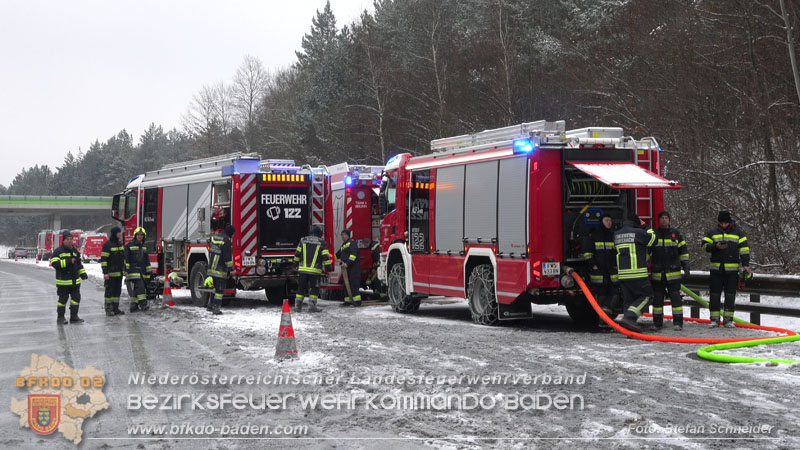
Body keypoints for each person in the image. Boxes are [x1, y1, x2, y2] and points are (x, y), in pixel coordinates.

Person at [702, 210, 751, 328]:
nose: (724, 225)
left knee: (730, 295)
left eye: (726, 223)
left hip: (732, 271)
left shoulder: (738, 232)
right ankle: (714, 319)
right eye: (722, 223)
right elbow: (704, 246)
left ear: (729, 222)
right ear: (718, 222)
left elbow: (744, 249)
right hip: (716, 270)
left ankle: (728, 320)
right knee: (714, 295)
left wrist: (746, 264)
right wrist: (716, 247)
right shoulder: (712, 232)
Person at [614, 213, 656, 333]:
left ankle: (628, 326)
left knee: (629, 300)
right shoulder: (638, 232)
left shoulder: (617, 234)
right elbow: (653, 239)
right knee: (647, 296)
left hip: (623, 274)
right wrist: (645, 227)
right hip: (637, 273)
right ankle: (630, 317)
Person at [650, 211, 690, 330]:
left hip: (673, 273)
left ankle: (678, 323)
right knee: (657, 300)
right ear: (659, 220)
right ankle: (657, 323)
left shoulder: (676, 234)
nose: (664, 220)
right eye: (662, 218)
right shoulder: (654, 234)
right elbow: (647, 253)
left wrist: (686, 265)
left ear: (669, 220)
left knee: (676, 299)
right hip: (658, 273)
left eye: (666, 218)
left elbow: (683, 251)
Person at [583, 213, 620, 322]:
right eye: (606, 220)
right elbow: (587, 253)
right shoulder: (594, 236)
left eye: (610, 220)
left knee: (615, 294)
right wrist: (593, 265)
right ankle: (602, 319)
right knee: (601, 295)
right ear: (601, 222)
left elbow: (617, 251)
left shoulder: (613, 236)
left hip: (612, 271)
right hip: (599, 272)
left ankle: (605, 314)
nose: (609, 223)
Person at [50, 230, 88, 324]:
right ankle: (61, 318)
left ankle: (74, 317)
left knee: (76, 299)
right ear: (63, 240)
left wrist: (83, 274)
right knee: (62, 301)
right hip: (63, 282)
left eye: (71, 239)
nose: (70, 241)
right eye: (67, 239)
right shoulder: (58, 252)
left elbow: (79, 264)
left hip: (75, 282)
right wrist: (68, 261)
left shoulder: (75, 251)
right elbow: (54, 263)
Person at [293, 226, 333, 312]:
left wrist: (295, 264)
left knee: (301, 287)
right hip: (315, 271)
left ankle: (297, 307)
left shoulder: (303, 240)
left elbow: (297, 253)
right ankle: (312, 307)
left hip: (303, 270)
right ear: (319, 234)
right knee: (314, 288)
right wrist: (328, 268)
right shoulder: (321, 242)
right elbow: (325, 256)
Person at [207, 225, 235, 315]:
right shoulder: (226, 240)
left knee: (214, 288)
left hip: (212, 267)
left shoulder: (217, 237)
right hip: (220, 269)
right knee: (219, 290)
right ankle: (216, 308)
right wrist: (231, 269)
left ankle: (210, 305)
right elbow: (227, 257)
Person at [125, 227, 152, 312]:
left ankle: (133, 306)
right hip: (133, 272)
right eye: (138, 235)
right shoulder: (129, 246)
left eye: (142, 235)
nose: (140, 236)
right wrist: (126, 270)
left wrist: (149, 272)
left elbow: (146, 261)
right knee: (141, 288)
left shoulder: (144, 247)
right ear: (135, 235)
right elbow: (126, 259)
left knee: (136, 289)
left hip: (141, 272)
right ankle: (143, 305)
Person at [100, 226, 126, 316]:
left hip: (119, 274)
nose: (120, 234)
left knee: (117, 292)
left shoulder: (120, 244)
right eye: (118, 232)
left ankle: (115, 308)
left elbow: (123, 259)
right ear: (115, 233)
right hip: (110, 274)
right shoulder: (107, 245)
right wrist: (105, 272)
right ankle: (108, 309)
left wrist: (125, 269)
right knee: (109, 292)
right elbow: (103, 260)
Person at [336, 229, 362, 307]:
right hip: (346, 268)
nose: (342, 236)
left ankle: (357, 301)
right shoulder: (344, 245)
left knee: (354, 284)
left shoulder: (352, 243)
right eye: (341, 235)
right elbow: (337, 254)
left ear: (347, 235)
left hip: (353, 268)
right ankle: (348, 301)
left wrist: (347, 263)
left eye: (343, 234)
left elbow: (353, 255)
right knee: (346, 284)